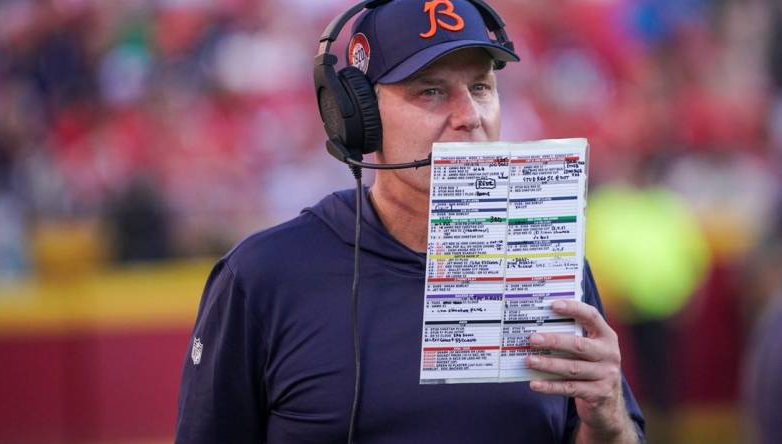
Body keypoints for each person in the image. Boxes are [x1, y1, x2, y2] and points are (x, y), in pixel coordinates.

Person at [176, 1, 646, 442]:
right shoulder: (262, 277)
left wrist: (607, 422)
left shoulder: (548, 262)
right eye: (432, 91)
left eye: (481, 87)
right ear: (358, 118)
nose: (469, 116)